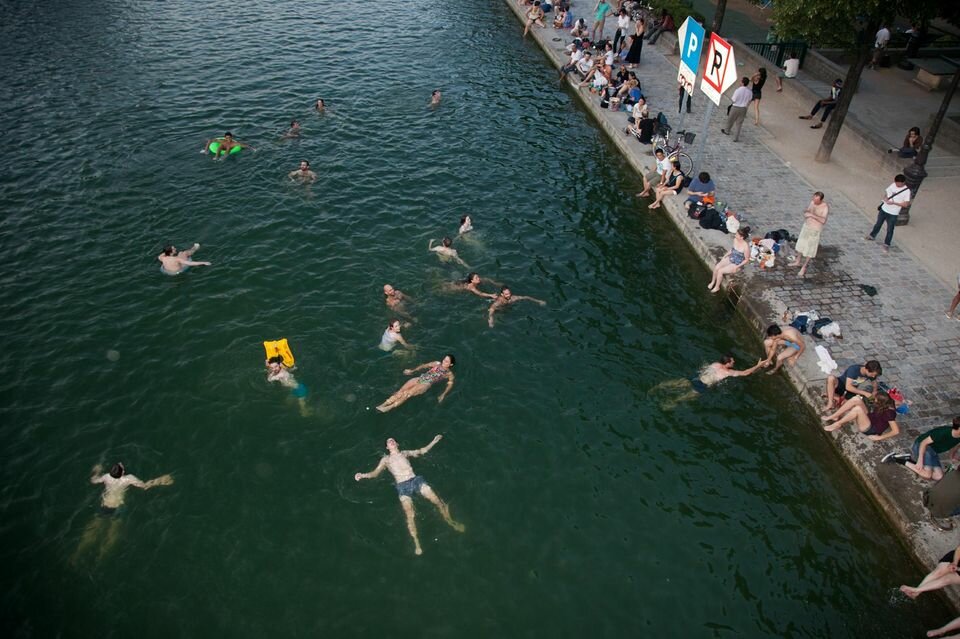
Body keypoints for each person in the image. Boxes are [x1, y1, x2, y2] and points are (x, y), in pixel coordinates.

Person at [354, 435, 465, 555]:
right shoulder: (385, 460)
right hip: (402, 487)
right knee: (410, 515)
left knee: (438, 501)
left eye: (392, 440)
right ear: (387, 447)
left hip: (416, 480)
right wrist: (363, 475)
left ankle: (450, 521)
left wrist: (433, 441)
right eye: (388, 441)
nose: (390, 441)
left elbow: (422, 451)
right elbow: (375, 473)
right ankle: (416, 542)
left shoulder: (405, 453)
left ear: (397, 444)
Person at [72, 462, 174, 564]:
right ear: (122, 473)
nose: (121, 465)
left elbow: (93, 480)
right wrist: (160, 480)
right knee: (113, 531)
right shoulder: (128, 478)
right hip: (118, 508)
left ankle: (77, 554)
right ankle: (100, 556)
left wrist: (97, 470)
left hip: (104, 506)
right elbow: (144, 486)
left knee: (93, 529)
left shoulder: (106, 476)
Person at [651, 354, 768, 409]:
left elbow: (703, 368)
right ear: (727, 363)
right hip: (702, 386)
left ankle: (656, 387)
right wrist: (758, 365)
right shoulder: (728, 372)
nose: (733, 363)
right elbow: (745, 373)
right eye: (732, 362)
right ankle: (669, 403)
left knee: (676, 383)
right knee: (682, 398)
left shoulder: (715, 364)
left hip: (697, 378)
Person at [375, 355, 456, 412]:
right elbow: (424, 365)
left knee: (407, 394)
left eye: (446, 361)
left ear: (451, 364)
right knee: (401, 390)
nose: (444, 361)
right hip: (420, 378)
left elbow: (450, 384)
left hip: (426, 384)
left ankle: (389, 407)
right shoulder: (436, 363)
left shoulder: (449, 374)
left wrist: (443, 394)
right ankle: (384, 404)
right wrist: (412, 370)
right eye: (444, 359)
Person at [821, 392, 899, 440]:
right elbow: (871, 398)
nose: (873, 399)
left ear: (880, 402)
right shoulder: (886, 402)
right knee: (856, 399)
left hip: (871, 429)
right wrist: (865, 393)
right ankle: (833, 416)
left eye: (875, 399)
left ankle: (837, 424)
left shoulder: (889, 413)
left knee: (858, 409)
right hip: (870, 418)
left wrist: (879, 438)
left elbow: (896, 431)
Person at [865, 174, 911, 252]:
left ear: (903, 183)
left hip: (893, 213)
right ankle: (872, 236)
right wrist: (885, 198)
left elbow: (906, 204)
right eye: (896, 183)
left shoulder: (907, 191)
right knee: (878, 224)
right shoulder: (893, 185)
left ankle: (886, 244)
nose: (897, 184)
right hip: (884, 209)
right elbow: (887, 193)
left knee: (890, 229)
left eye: (898, 183)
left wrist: (894, 203)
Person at [794, 191, 829, 277]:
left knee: (810, 249)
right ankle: (797, 261)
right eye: (813, 198)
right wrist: (806, 212)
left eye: (816, 200)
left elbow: (823, 220)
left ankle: (804, 267)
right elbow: (808, 210)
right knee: (801, 244)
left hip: (814, 230)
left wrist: (812, 215)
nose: (814, 201)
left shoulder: (825, 207)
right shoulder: (812, 202)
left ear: (820, 200)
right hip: (806, 226)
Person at [707, 226, 751, 293]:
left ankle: (717, 287)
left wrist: (737, 267)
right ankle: (713, 282)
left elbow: (746, 259)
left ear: (741, 237)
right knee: (717, 267)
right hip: (731, 257)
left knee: (720, 271)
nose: (735, 235)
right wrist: (725, 255)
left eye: (737, 234)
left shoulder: (746, 247)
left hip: (737, 263)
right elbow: (732, 249)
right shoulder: (735, 240)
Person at [721, 78, 753, 142]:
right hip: (743, 108)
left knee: (730, 120)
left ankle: (727, 131)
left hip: (735, 107)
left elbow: (733, 99)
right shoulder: (749, 91)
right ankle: (736, 137)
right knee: (739, 123)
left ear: (743, 83)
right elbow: (750, 99)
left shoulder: (738, 90)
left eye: (741, 81)